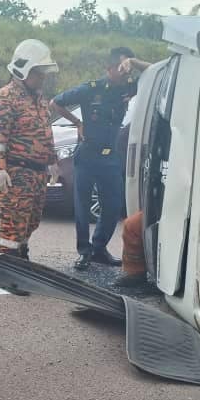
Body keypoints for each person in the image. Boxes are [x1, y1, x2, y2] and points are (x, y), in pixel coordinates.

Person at [53, 48, 150, 270]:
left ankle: (99, 249)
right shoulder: (91, 89)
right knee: (82, 206)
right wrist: (77, 123)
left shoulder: (129, 86)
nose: (125, 72)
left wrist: (133, 61)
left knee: (113, 206)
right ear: (109, 68)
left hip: (111, 157)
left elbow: (154, 71)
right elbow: (56, 102)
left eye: (127, 68)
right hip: (87, 155)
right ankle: (84, 252)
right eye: (121, 67)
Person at [0, 39, 69, 258]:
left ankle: (20, 257)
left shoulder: (40, 99)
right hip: (16, 172)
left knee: (30, 221)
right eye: (38, 72)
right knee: (13, 224)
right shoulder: (5, 98)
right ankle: (8, 268)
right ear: (24, 70)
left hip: (37, 173)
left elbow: (45, 132)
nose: (42, 77)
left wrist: (51, 161)